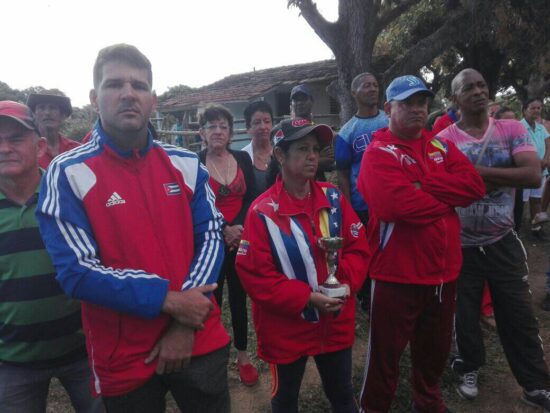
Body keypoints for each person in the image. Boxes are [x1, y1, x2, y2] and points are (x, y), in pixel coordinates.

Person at [35, 44, 231, 413]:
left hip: (199, 335)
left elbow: (211, 236)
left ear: (153, 100)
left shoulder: (186, 163)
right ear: (95, 98)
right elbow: (77, 271)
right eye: (114, 84)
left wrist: (187, 320)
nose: (128, 93)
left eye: (139, 86)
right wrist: (169, 301)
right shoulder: (68, 172)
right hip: (123, 353)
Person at [357, 75, 485, 413]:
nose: (417, 109)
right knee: (385, 357)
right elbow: (395, 207)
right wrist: (447, 197)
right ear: (389, 109)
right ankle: (373, 408)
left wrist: (422, 183)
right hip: (396, 276)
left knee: (434, 353)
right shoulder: (377, 152)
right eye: (408, 103)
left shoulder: (439, 145)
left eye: (422, 102)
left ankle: (427, 402)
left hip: (443, 275)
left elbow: (473, 186)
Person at [236, 118, 370, 412]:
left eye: (315, 149)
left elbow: (359, 249)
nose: (313, 156)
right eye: (303, 149)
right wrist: (306, 298)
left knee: (343, 397)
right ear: (280, 155)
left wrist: (345, 285)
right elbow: (255, 275)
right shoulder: (261, 212)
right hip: (285, 330)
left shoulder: (334, 199)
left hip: (335, 325)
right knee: (285, 401)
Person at [438, 68, 550, 411]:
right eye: (467, 88)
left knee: (518, 315)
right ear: (455, 99)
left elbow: (531, 173)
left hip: (502, 239)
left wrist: (474, 174)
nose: (477, 91)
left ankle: (535, 386)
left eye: (482, 85)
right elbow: (442, 188)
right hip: (461, 245)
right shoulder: (443, 139)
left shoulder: (512, 129)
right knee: (465, 315)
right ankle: (468, 369)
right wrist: (503, 176)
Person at [0, 101, 101, 412]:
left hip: (83, 350)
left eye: (15, 139)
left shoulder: (70, 194)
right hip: (12, 362)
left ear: (39, 144)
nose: (4, 149)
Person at [198, 104, 259, 386]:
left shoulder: (242, 160)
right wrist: (224, 229)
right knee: (212, 298)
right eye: (212, 126)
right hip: (211, 243)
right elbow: (197, 204)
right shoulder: (194, 163)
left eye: (223, 126)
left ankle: (244, 356)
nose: (218, 131)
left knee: (238, 297)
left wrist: (239, 229)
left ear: (231, 132)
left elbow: (252, 197)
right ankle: (214, 353)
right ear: (202, 132)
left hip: (241, 239)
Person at [334, 72, 388, 312]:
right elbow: (343, 173)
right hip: (362, 204)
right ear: (354, 93)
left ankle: (390, 292)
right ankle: (367, 297)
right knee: (365, 252)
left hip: (391, 202)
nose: (372, 89)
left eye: (375, 85)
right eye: (366, 85)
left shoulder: (390, 122)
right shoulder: (347, 132)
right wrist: (348, 208)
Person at [290, 84, 334, 181]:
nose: (299, 103)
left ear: (312, 101)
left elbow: (329, 161)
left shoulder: (319, 131)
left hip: (316, 184)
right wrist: (319, 159)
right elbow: (282, 165)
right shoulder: (287, 131)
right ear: (291, 103)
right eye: (296, 100)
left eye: (303, 99)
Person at [520, 98, 550, 234]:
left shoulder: (541, 127)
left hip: (541, 170)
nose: (536, 111)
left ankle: (536, 226)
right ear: (525, 110)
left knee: (536, 199)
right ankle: (516, 228)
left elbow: (548, 144)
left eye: (539, 108)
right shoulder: (519, 127)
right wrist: (537, 163)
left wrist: (546, 159)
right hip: (526, 171)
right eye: (533, 108)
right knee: (521, 202)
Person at [27, 92, 80, 168]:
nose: (47, 113)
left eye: (52, 108)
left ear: (62, 115)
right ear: (34, 114)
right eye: (41, 108)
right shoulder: (27, 149)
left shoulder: (76, 149)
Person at [242, 100, 274, 196]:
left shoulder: (283, 152)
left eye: (267, 121)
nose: (263, 126)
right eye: (257, 122)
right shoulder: (242, 157)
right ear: (248, 128)